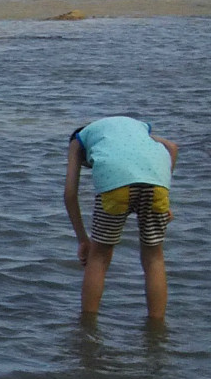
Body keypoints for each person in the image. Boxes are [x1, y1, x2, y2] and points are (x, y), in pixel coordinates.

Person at [63, 116, 178, 321]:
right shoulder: (136, 128)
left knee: (98, 257)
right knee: (154, 257)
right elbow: (172, 147)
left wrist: (82, 239)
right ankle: (157, 325)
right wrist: (164, 195)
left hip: (115, 186)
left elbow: (70, 194)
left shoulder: (78, 139)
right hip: (157, 184)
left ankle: (88, 324)